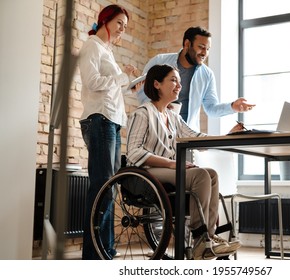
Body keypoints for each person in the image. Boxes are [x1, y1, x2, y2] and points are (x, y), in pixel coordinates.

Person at [126, 64, 243, 260]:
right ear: (156, 84)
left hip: (165, 171)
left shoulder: (173, 117)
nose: (179, 85)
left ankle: (208, 237)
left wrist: (226, 136)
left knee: (211, 174)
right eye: (173, 80)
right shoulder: (142, 113)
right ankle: (200, 239)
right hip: (145, 172)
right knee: (199, 175)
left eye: (179, 81)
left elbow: (197, 138)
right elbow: (134, 153)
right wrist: (171, 164)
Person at [78, 4, 138, 260]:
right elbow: (92, 82)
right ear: (105, 21)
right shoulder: (92, 46)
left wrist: (130, 86)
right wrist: (123, 78)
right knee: (102, 187)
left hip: (112, 121)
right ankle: (95, 255)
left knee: (109, 188)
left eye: (125, 26)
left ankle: (107, 251)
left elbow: (111, 88)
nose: (122, 29)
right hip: (99, 120)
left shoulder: (107, 51)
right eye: (119, 23)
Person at [136, 26, 255, 132]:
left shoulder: (207, 74)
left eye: (208, 49)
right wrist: (160, 107)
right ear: (187, 44)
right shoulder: (160, 61)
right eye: (201, 47)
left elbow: (211, 108)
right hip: (157, 128)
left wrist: (232, 106)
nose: (205, 53)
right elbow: (142, 91)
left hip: (186, 134)